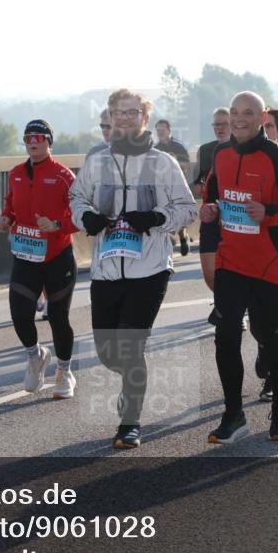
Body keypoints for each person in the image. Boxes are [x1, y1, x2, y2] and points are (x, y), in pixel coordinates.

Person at [70, 88, 197, 449]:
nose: (125, 118)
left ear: (145, 118)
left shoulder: (163, 163)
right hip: (106, 271)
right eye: (118, 113)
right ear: (110, 118)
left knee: (129, 344)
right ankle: (130, 385)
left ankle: (130, 421)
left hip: (150, 269)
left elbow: (186, 209)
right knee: (108, 352)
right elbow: (76, 200)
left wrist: (156, 217)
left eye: (132, 112)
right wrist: (88, 218)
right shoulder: (96, 162)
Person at [200, 91, 278, 443]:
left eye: (247, 113)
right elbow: (212, 196)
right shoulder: (221, 154)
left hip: (270, 264)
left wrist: (270, 215)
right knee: (225, 334)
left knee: (271, 337)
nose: (239, 119)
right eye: (234, 112)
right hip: (231, 261)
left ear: (261, 115)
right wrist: (209, 212)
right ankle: (233, 414)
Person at [0, 120, 79, 399]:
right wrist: (7, 218)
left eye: (39, 137)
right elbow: (11, 203)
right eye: (28, 137)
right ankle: (36, 356)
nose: (33, 141)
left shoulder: (63, 175)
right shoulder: (16, 173)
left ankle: (65, 371)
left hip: (58, 256)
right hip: (26, 254)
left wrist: (57, 224)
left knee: (58, 317)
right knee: (19, 314)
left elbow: (81, 213)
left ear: (48, 142)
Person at [194, 107, 232, 325]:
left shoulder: (242, 149)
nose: (219, 128)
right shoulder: (206, 150)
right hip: (209, 216)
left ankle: (230, 308)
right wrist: (198, 186)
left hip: (235, 218)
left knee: (231, 269)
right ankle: (222, 301)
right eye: (216, 124)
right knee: (210, 271)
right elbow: (198, 180)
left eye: (223, 124)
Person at [155, 119, 192, 256]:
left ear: (169, 131)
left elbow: (186, 166)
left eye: (162, 130)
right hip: (162, 187)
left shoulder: (178, 147)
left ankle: (183, 237)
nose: (160, 133)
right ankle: (168, 239)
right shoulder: (155, 149)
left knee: (179, 213)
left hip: (177, 184)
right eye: (158, 131)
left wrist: (173, 163)